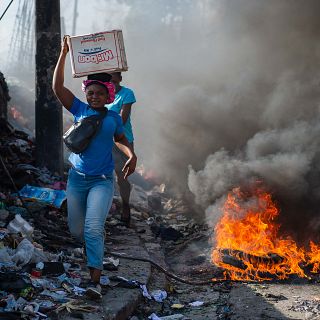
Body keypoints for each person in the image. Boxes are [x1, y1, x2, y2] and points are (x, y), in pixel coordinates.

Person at [52, 36, 137, 299]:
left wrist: (131, 155)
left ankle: (95, 279)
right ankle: (93, 253)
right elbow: (57, 87)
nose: (95, 96)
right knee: (77, 230)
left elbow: (120, 139)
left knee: (92, 227)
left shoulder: (113, 118)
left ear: (108, 95)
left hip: (102, 180)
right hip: (77, 179)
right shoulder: (78, 109)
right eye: (91, 93)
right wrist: (64, 53)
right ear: (86, 94)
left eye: (100, 93)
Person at [107, 72, 136, 227]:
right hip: (104, 140)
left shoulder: (127, 94)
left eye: (113, 79)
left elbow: (122, 119)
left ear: (119, 79)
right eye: (108, 80)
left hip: (123, 141)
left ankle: (125, 206)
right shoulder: (101, 93)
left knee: (121, 177)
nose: (111, 83)